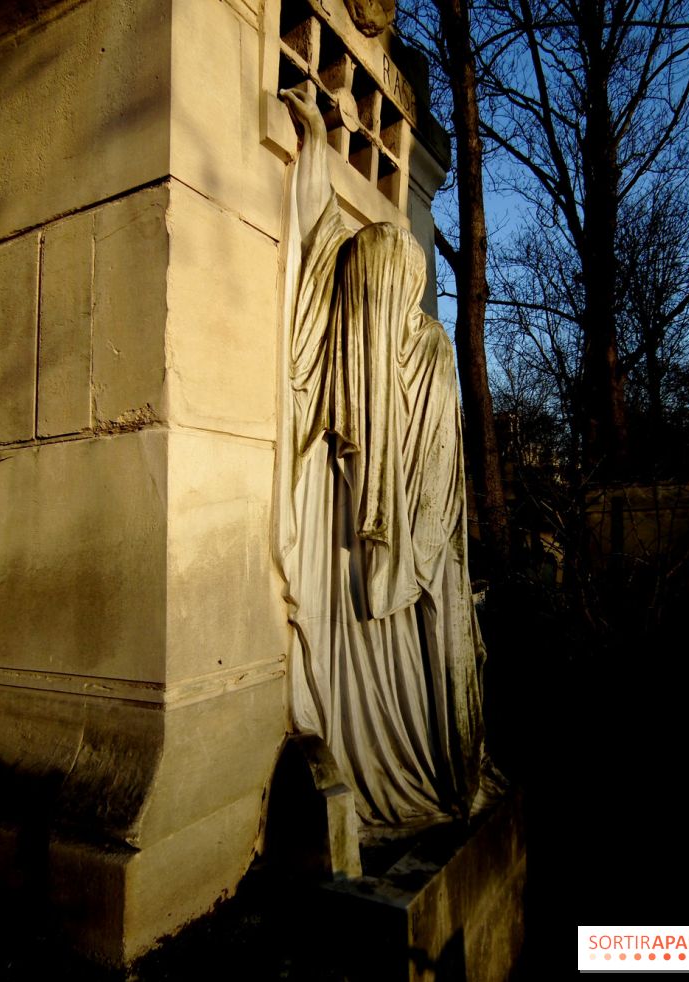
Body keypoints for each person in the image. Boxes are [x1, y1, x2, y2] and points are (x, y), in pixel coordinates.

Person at [275, 87, 487, 826]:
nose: (363, 305)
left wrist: (409, 552)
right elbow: (323, 236)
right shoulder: (363, 307)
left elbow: (437, 482)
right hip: (362, 555)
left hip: (401, 565)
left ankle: (417, 758)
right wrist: (317, 143)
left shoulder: (428, 351)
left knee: (406, 669)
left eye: (375, 289)